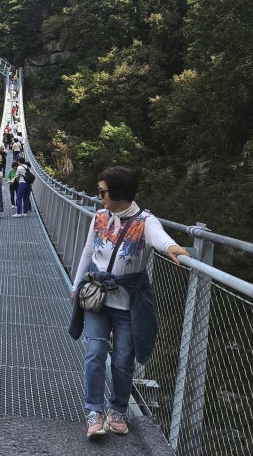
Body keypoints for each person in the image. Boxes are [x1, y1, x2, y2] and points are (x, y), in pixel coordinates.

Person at [69, 166, 190, 439]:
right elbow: (89, 252)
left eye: (103, 192)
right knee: (95, 352)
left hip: (128, 303)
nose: (99, 197)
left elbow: (160, 239)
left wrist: (172, 248)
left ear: (119, 194)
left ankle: (118, 410)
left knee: (124, 360)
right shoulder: (100, 217)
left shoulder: (145, 221)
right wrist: (76, 286)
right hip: (97, 299)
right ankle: (94, 412)